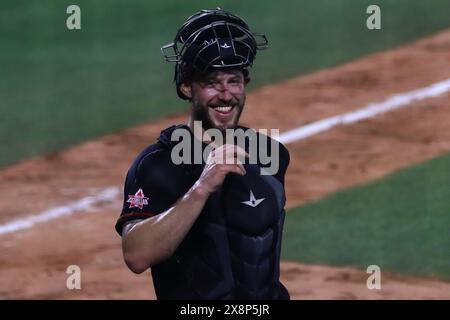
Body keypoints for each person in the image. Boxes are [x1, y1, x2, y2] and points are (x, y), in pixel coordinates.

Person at [115, 8, 290, 300]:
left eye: (233, 80)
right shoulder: (158, 164)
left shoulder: (269, 153)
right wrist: (202, 187)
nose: (225, 94)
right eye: (211, 83)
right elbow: (136, 255)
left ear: (245, 84)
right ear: (186, 87)